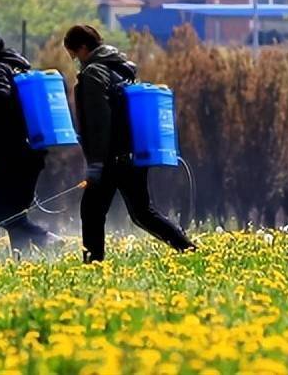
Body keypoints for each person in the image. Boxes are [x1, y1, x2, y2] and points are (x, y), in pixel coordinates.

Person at [63, 24, 196, 263]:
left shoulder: (94, 73)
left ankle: (93, 265)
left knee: (91, 211)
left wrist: (96, 163)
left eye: (73, 53)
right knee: (143, 213)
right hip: (133, 153)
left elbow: (99, 122)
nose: (74, 59)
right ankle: (188, 249)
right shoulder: (120, 69)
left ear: (83, 48)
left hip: (111, 157)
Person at [0, 29, 58, 253]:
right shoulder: (22, 68)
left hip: (11, 150)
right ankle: (21, 258)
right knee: (16, 211)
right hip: (34, 149)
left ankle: (46, 239)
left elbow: (3, 97)